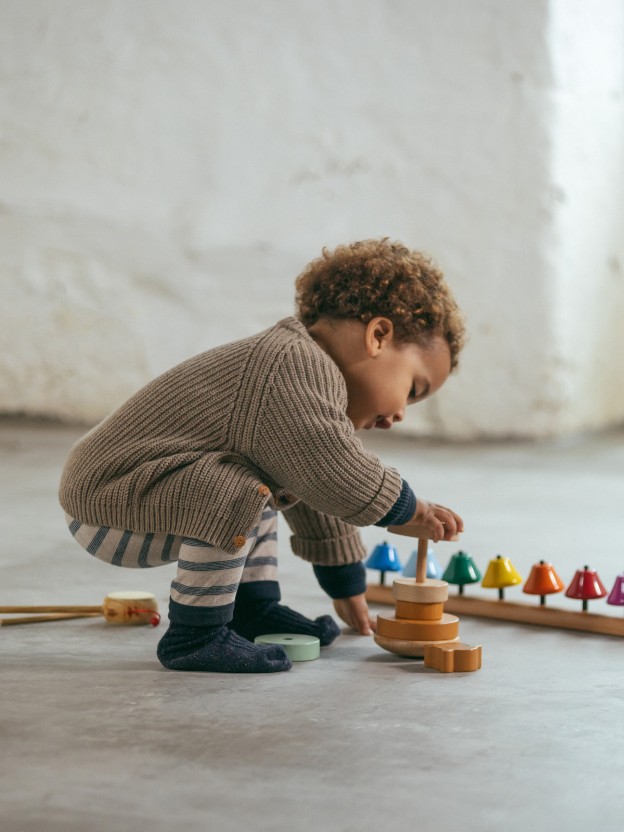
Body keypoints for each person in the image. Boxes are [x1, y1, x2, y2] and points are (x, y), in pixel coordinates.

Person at [59, 238, 466, 674]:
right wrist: (409, 507)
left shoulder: (306, 378)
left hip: (138, 494)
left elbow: (311, 484)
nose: (400, 414)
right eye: (413, 389)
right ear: (379, 336)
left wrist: (344, 580)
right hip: (110, 502)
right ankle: (195, 636)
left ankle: (252, 611)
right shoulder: (289, 365)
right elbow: (332, 471)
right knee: (235, 490)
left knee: (261, 482)